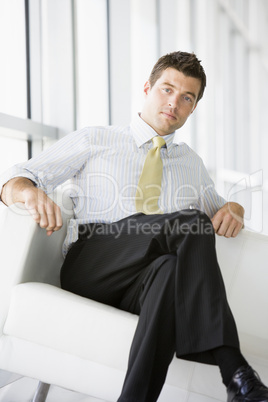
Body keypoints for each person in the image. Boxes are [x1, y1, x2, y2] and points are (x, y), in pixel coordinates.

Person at [0, 51, 267, 402]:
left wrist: (235, 207)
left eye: (186, 98)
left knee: (171, 269)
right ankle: (233, 368)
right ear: (147, 88)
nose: (174, 102)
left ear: (193, 108)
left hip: (140, 287)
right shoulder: (97, 138)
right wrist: (29, 194)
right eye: (167, 89)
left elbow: (220, 211)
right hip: (93, 263)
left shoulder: (191, 164)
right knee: (189, 223)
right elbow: (16, 177)